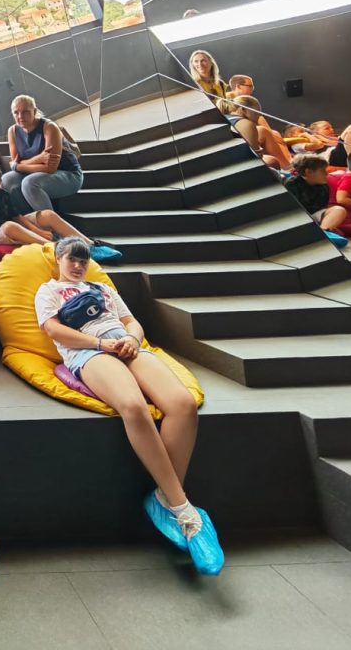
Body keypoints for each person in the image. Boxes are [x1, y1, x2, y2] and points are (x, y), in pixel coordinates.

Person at [36, 238, 223, 575]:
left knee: (182, 404)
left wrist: (132, 340)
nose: (78, 265)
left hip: (126, 345)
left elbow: (131, 321)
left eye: (83, 260)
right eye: (72, 259)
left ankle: (164, 497)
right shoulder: (48, 291)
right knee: (133, 406)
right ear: (58, 259)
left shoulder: (103, 288)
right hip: (88, 352)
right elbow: (54, 330)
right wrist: (99, 343)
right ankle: (185, 511)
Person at [0, 161, 121, 261]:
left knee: (47, 214)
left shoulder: (3, 195)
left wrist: (38, 230)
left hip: (9, 227)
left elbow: (17, 216)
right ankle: (59, 248)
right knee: (9, 226)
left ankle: (90, 246)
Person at [2, 95, 83, 213]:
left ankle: (51, 223)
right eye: (16, 112)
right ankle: (31, 220)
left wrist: (18, 166)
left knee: (30, 183)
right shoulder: (12, 131)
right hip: (35, 174)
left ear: (34, 111)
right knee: (6, 180)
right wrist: (39, 158)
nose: (20, 116)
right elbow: (15, 162)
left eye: (25, 112)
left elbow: (50, 168)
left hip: (68, 174)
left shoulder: (49, 127)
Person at [283, 154, 350, 247]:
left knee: (339, 210)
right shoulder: (291, 184)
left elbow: (322, 208)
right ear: (308, 172)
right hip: (297, 218)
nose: (326, 174)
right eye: (323, 171)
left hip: (315, 217)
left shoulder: (323, 186)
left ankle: (324, 232)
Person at [228, 96, 290, 170]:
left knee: (264, 131)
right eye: (257, 112)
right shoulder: (246, 124)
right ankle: (287, 168)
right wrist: (258, 150)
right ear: (243, 109)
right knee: (272, 161)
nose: (259, 116)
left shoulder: (229, 117)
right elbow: (255, 156)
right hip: (238, 159)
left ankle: (287, 167)